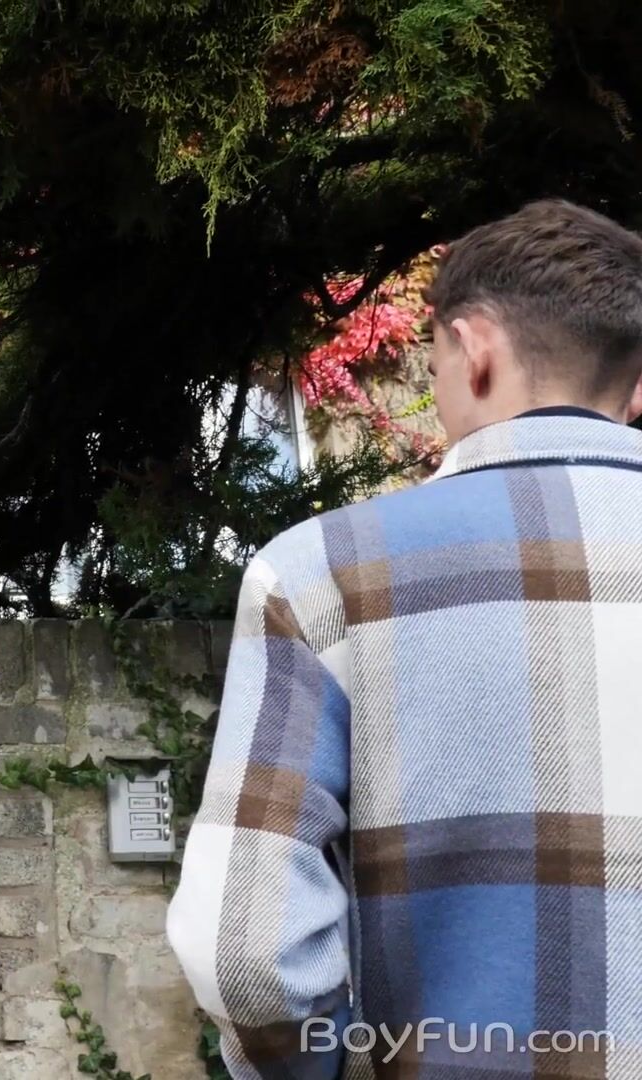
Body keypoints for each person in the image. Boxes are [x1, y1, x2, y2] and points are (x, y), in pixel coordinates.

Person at [167, 198, 642, 1079]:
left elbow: (244, 953)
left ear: (474, 348)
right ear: (636, 385)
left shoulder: (324, 573)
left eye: (434, 364)